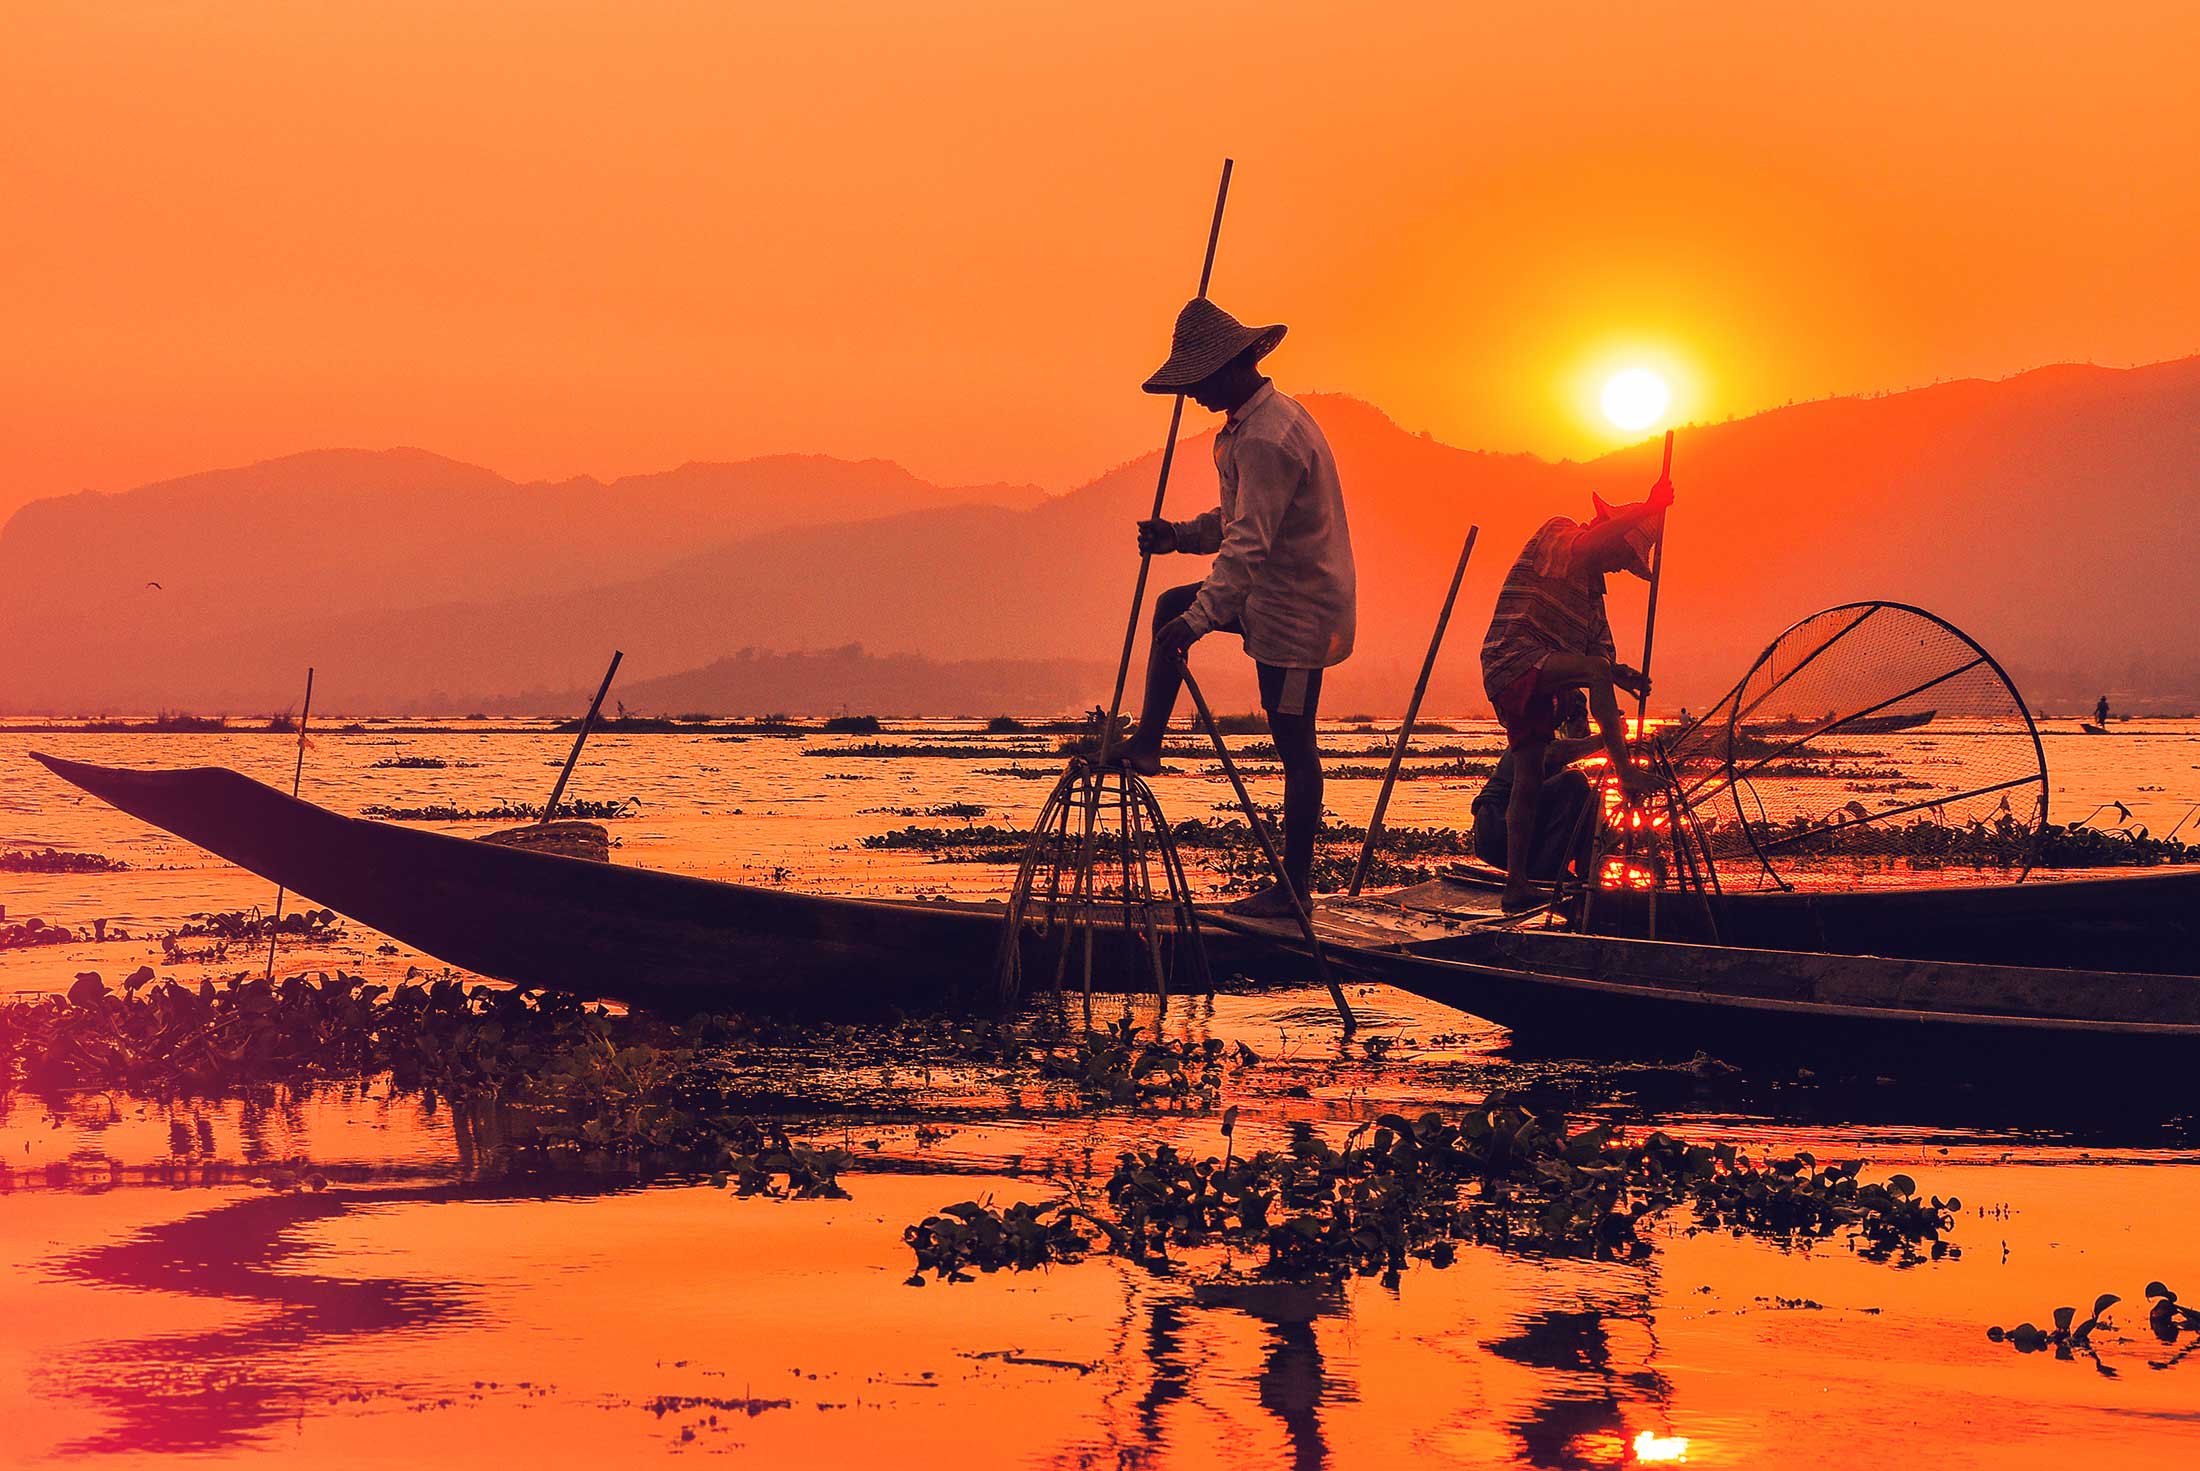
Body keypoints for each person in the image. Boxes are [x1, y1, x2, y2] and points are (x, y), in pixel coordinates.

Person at [1116, 299, 1355, 917]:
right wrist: (1179, 536)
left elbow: (1251, 543)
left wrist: (1197, 624)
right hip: (1267, 594)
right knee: (1172, 603)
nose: (1193, 395)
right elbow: (1237, 521)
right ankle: (1148, 742)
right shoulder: (1251, 429)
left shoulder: (1268, 439)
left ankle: (1294, 891)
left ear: (1229, 369)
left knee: (1293, 743)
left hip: (1298, 613)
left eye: (1198, 381)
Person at [1478, 478, 1673, 913]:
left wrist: (1622, 675)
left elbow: (1599, 655)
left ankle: (1518, 886)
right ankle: (1625, 773)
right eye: (1622, 555)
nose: (1619, 566)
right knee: (1592, 676)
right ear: (1612, 532)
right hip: (1511, 657)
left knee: (1528, 778)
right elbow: (1586, 549)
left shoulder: (1590, 597)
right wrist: (1649, 506)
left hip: (1540, 673)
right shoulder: (1560, 532)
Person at [1470, 689, 1601, 881]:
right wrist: (1604, 739)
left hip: (1519, 833)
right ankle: (1547, 872)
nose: (1584, 733)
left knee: (1592, 799)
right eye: (1580, 726)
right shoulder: (1535, 740)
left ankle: (1585, 877)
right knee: (1575, 781)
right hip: (1496, 827)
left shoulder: (1551, 754)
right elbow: (1552, 753)